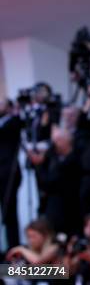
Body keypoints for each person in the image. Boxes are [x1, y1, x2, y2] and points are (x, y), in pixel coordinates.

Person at [0, 98, 22, 250]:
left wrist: (17, 111)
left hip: (7, 174)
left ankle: (13, 248)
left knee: (9, 213)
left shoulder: (13, 122)